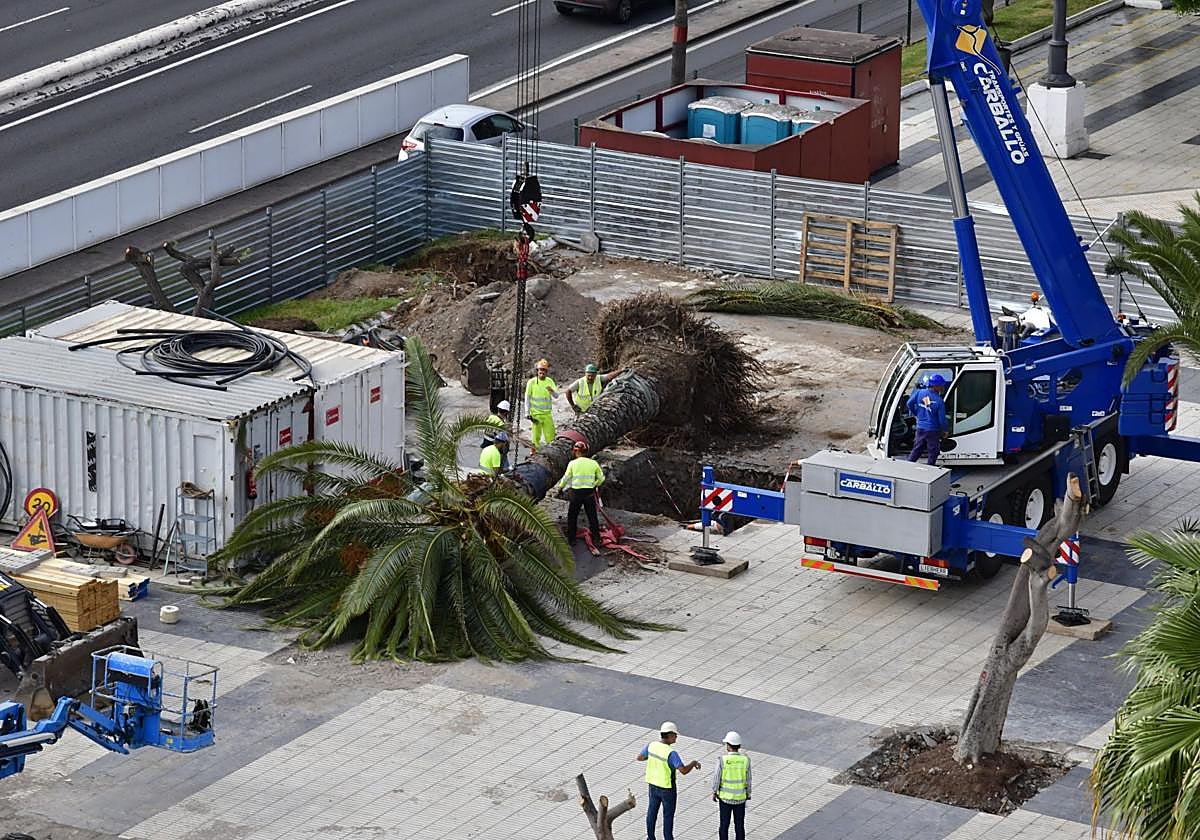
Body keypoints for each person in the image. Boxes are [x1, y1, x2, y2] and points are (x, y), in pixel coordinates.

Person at [637, 721, 701, 840]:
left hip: (653, 786)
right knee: (668, 817)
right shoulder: (671, 753)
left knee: (651, 813)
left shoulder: (652, 745)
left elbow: (640, 757)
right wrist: (693, 763)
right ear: (670, 735)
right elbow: (683, 770)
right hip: (667, 789)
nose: (676, 737)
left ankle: (650, 838)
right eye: (675, 735)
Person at [557, 441, 604, 555]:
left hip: (577, 494)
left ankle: (572, 540)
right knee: (592, 517)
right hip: (589, 494)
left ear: (576, 451)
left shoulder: (573, 463)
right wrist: (594, 485)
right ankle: (596, 539)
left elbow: (566, 478)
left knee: (572, 516)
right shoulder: (593, 463)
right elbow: (602, 478)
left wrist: (560, 488)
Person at [711, 731, 751, 840]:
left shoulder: (723, 760)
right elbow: (748, 780)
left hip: (725, 799)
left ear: (728, 746)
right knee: (739, 826)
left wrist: (714, 792)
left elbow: (716, 778)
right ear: (739, 746)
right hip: (740, 800)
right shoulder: (745, 760)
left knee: (724, 825)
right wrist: (748, 794)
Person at [906, 373, 949, 465]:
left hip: (920, 428)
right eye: (941, 386)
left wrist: (916, 414)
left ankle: (907, 466)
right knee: (933, 452)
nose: (942, 387)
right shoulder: (939, 401)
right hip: (933, 430)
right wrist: (945, 431)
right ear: (936, 386)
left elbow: (909, 403)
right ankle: (929, 469)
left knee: (917, 449)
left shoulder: (919, 392)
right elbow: (942, 419)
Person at [524, 359, 558, 453]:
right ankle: (534, 452)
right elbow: (527, 397)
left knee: (550, 435)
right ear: (537, 371)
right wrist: (527, 412)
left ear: (546, 372)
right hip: (536, 414)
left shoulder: (550, 381)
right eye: (540, 370)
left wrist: (552, 391)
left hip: (547, 414)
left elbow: (556, 396)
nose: (542, 372)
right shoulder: (532, 382)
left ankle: (552, 452)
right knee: (535, 436)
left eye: (544, 370)